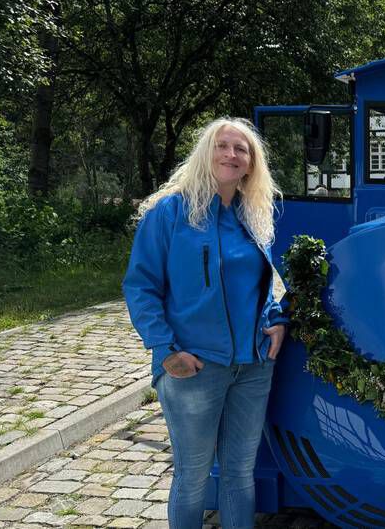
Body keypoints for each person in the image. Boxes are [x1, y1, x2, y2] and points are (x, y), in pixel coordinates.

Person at [123, 117, 288, 529]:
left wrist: (276, 320)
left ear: (252, 164)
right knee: (193, 477)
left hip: (252, 367)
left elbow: (263, 284)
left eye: (242, 149)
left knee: (239, 475)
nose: (231, 154)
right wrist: (165, 351)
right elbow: (141, 286)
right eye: (223, 145)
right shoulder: (170, 213)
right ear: (206, 153)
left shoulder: (254, 216)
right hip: (195, 367)